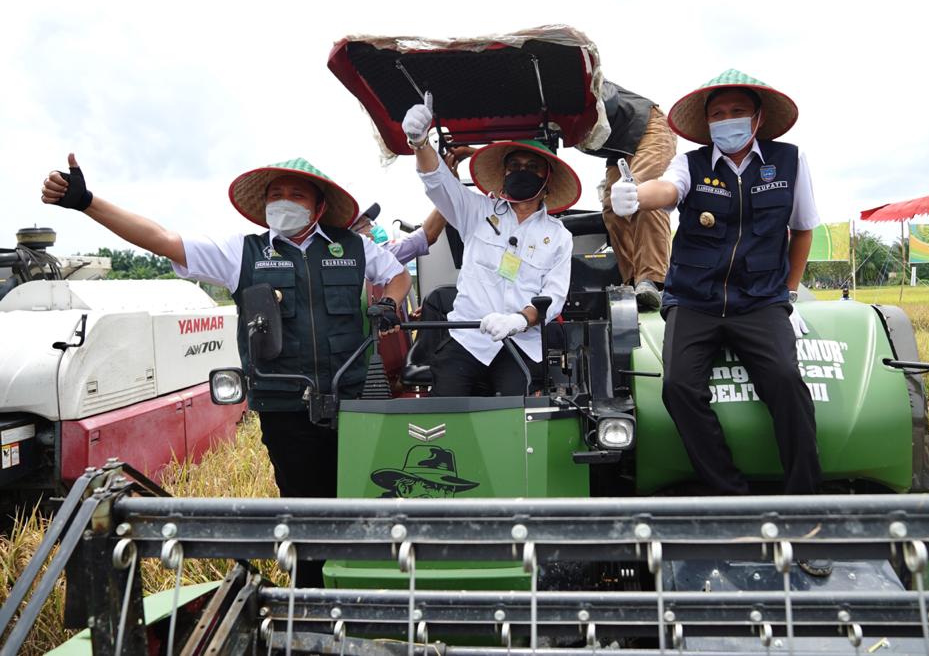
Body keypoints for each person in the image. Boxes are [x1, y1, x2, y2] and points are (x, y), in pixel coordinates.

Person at [41, 155, 411, 581]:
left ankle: (365, 584)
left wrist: (390, 302)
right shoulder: (242, 253)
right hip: (287, 407)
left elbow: (398, 275)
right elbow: (162, 240)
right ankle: (310, 599)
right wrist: (88, 202)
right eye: (276, 195)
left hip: (353, 400)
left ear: (319, 206)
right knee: (303, 510)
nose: (283, 202)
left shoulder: (352, 247)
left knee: (361, 501)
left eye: (295, 194)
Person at [610, 70, 824, 569]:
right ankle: (734, 500)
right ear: (706, 125)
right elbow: (667, 191)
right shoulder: (691, 165)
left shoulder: (790, 162)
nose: (726, 121)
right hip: (694, 300)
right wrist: (637, 196)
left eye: (735, 113)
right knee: (679, 388)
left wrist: (788, 294)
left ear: (758, 118)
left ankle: (807, 519)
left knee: (788, 385)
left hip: (760, 301)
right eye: (717, 114)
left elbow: (803, 230)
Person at [401, 95, 577, 397]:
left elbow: (555, 297)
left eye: (532, 167)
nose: (521, 171)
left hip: (521, 344)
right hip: (468, 340)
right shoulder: (476, 211)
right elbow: (437, 181)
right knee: (446, 411)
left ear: (546, 182)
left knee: (516, 417)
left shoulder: (559, 236)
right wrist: (420, 143)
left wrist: (519, 320)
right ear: (504, 174)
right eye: (515, 166)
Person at [578, 81, 677, 310]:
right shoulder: (542, 116)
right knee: (611, 207)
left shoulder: (577, 84)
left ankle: (654, 280)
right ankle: (633, 282)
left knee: (639, 194)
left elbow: (608, 100)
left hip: (649, 128)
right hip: (620, 148)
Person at [352, 207, 448, 266]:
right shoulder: (379, 254)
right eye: (368, 224)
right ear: (354, 234)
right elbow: (428, 235)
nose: (374, 227)